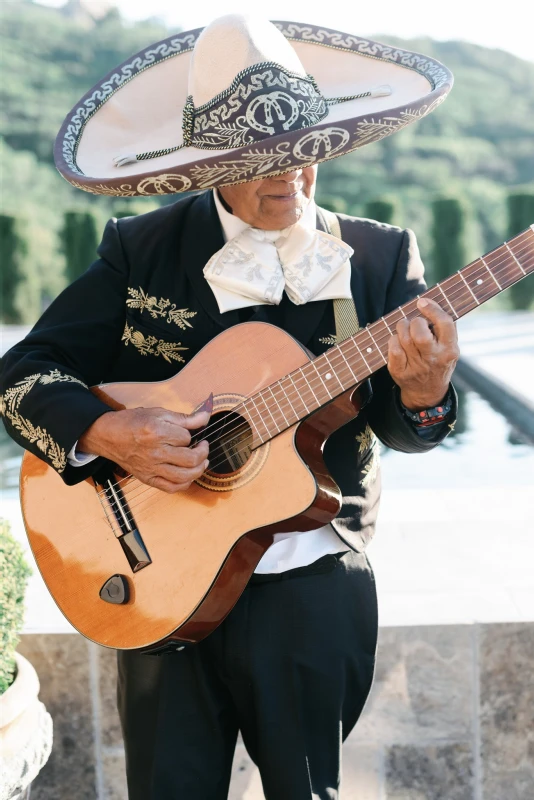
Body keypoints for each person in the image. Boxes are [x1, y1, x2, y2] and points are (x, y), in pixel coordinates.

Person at [0, 15, 460, 800]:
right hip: (154, 574)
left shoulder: (382, 255)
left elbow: (410, 426)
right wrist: (112, 432)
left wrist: (423, 395)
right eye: (262, 164)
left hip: (314, 580)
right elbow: (20, 376)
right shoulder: (139, 249)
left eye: (308, 154)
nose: (293, 180)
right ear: (209, 167)